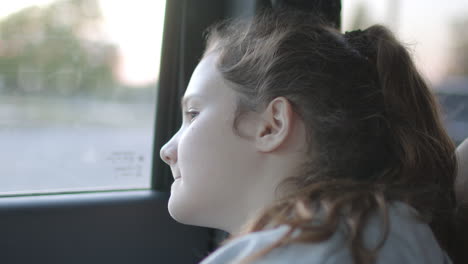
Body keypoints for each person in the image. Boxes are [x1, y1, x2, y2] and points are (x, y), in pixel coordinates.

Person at [160, 9, 457, 264]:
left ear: (272, 125)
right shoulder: (401, 230)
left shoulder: (288, 253)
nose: (166, 150)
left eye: (193, 114)